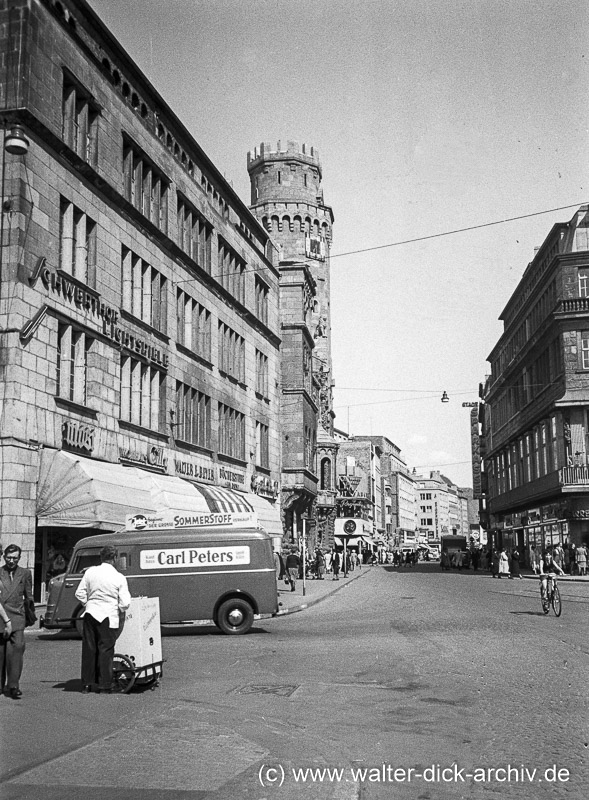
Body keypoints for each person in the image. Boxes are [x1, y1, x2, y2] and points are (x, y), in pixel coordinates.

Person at [75, 544, 131, 694]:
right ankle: (105, 684)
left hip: (90, 614)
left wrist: (89, 604)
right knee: (106, 650)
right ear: (114, 558)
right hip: (108, 616)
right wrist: (118, 608)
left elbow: (79, 593)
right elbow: (125, 603)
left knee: (89, 649)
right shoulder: (119, 577)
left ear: (101, 557)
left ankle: (87, 684)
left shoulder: (90, 572)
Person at [0, 544, 33, 699]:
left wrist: (28, 615)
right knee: (1, 652)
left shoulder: (25, 573)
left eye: (15, 558)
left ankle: (13, 685)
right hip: (1, 615)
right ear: (4, 556)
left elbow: (29, 596)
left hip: (17, 616)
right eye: (9, 557)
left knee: (17, 650)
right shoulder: (0, 572)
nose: (11, 561)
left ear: (19, 558)